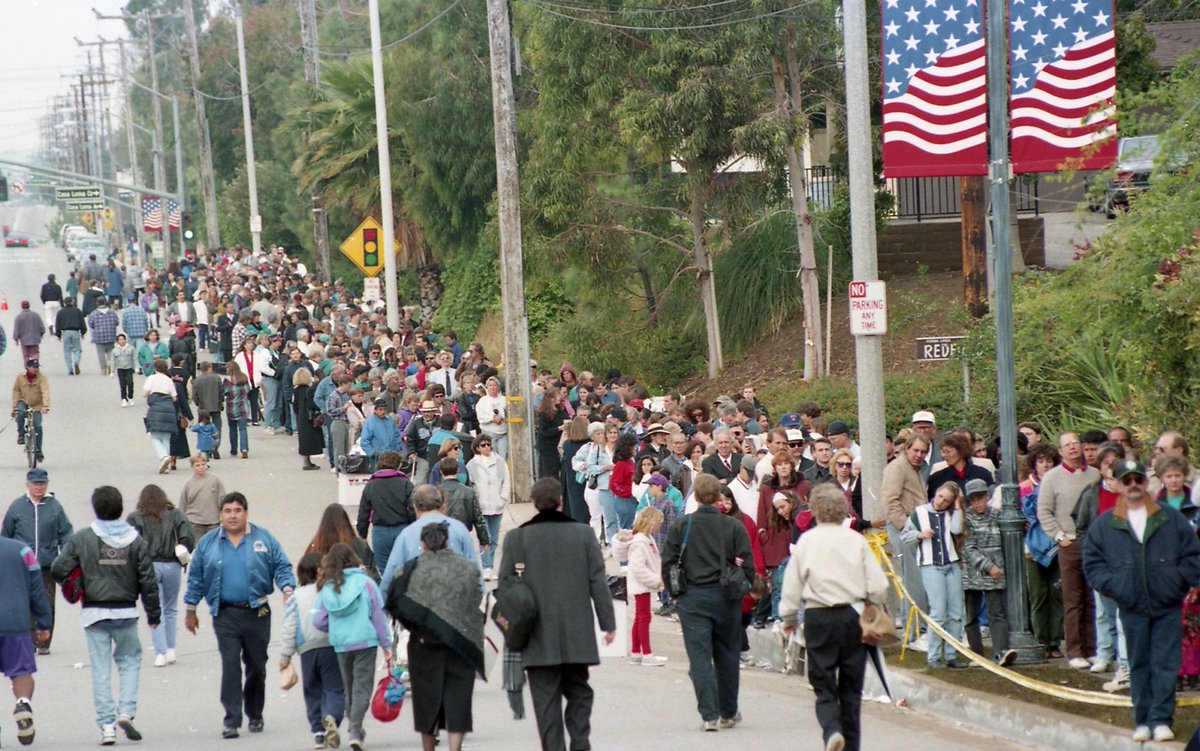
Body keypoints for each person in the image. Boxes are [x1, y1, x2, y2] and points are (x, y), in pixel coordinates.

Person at [1083, 459, 1200, 743]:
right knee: (1138, 663)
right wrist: (1115, 587)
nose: (1133, 485)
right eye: (1127, 480)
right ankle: (1143, 719)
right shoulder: (1105, 524)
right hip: (1131, 605)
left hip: (1167, 604)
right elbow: (1093, 563)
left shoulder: (1170, 518)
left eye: (1138, 479)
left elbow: (1192, 555)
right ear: (1117, 484)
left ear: (1146, 482)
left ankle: (1161, 719)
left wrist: (1176, 582)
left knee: (1165, 663)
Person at [498, 478, 616, 751]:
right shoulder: (583, 534)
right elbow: (597, 581)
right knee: (580, 692)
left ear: (534, 503)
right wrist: (608, 623)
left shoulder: (516, 539)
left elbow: (505, 587)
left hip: (535, 634)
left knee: (545, 703)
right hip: (577, 632)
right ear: (561, 501)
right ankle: (580, 744)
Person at [778, 484, 889, 751]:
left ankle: (831, 730)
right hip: (853, 617)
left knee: (823, 682)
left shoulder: (807, 541)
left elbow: (791, 585)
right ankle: (851, 745)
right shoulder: (856, 541)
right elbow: (878, 586)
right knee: (851, 688)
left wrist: (789, 618)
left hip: (818, 615)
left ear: (813, 509)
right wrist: (871, 603)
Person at [50, 486, 161, 746]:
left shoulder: (82, 538)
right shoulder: (136, 540)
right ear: (121, 508)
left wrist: (77, 582)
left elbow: (58, 568)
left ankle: (107, 726)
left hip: (94, 612)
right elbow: (148, 580)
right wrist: (153, 614)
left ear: (95, 508)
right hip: (126, 611)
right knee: (130, 662)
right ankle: (126, 712)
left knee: (100, 670)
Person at [183, 492, 296, 739]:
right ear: (220, 515)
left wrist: (287, 589)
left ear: (246, 513)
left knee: (257, 666)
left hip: (258, 613)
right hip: (225, 615)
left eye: (237, 510)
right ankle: (231, 720)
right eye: (227, 511)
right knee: (231, 664)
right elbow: (196, 577)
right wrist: (191, 609)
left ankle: (255, 714)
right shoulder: (208, 544)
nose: (232, 516)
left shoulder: (263, 539)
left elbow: (282, 566)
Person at [661, 473, 754, 731]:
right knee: (728, 654)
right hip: (726, 598)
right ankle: (728, 711)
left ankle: (709, 715)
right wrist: (741, 587)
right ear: (718, 497)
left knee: (699, 657)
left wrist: (675, 593)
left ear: (696, 497)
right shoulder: (733, 526)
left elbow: (668, 563)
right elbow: (748, 566)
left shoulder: (682, 526)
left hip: (692, 597)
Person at [386, 524, 484, 751]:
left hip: (424, 643)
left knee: (426, 700)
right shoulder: (466, 568)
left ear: (422, 544)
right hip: (460, 642)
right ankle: (455, 747)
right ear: (447, 541)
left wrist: (413, 625)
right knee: (459, 698)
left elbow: (393, 603)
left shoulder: (408, 570)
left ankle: (429, 747)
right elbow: (476, 598)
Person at [313, 543, 393, 751]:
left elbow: (318, 621)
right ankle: (355, 730)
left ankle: (354, 727)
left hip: (341, 643)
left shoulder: (327, 587)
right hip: (365, 641)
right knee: (362, 688)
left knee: (348, 688)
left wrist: (335, 627)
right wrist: (386, 645)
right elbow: (378, 616)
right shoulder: (366, 583)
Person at [1038, 432, 1101, 669]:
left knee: (1092, 597)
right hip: (1070, 542)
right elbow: (1044, 511)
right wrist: (1059, 536)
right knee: (1073, 598)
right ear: (1060, 451)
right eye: (1067, 445)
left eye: (1076, 443)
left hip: (1094, 543)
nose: (1073, 448)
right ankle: (1074, 651)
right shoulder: (1052, 478)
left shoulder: (1095, 474)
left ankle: (1092, 649)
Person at [2, 468, 72, 655]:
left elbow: (66, 533)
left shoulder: (55, 507)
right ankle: (30, 639)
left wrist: (65, 557)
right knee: (24, 602)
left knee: (47, 602)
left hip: (47, 564)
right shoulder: (17, 507)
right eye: (35, 484)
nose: (39, 487)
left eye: (42, 484)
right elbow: (6, 535)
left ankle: (44, 641)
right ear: (28, 485)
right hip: (23, 565)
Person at [279, 553, 344, 750]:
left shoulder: (295, 597)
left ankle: (318, 731)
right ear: (319, 571)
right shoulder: (331, 591)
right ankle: (332, 716)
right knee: (334, 688)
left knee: (312, 690)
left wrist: (285, 655)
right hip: (331, 646)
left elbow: (289, 626)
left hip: (307, 650)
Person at [127, 484, 196, 668]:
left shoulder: (136, 517)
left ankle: (160, 652)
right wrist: (182, 551)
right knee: (170, 608)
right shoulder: (175, 514)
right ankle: (171, 649)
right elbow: (188, 537)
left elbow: (129, 543)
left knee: (154, 609)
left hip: (149, 566)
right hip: (172, 564)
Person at [903, 482, 967, 669]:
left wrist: (958, 506)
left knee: (956, 612)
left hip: (951, 564)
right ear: (936, 493)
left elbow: (956, 530)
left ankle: (952, 654)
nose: (940, 502)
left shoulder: (952, 513)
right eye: (940, 496)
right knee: (938, 612)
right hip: (930, 565)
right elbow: (905, 536)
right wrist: (919, 535)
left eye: (946, 500)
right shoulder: (919, 512)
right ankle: (934, 656)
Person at [0, 531, 52, 746]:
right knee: (21, 671)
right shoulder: (22, 550)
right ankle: (23, 703)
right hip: (16, 623)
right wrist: (44, 622)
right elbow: (37, 590)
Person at [381, 486, 480, 594]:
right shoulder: (459, 529)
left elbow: (391, 576)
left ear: (415, 507)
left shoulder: (406, 534)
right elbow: (473, 569)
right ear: (442, 505)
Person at [961, 478, 1015, 666]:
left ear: (987, 496)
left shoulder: (996, 515)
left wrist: (996, 567)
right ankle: (976, 654)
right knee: (971, 616)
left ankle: (1000, 651)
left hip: (995, 574)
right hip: (973, 574)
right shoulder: (966, 518)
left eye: (980, 498)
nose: (977, 503)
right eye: (973, 500)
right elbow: (968, 548)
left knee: (996, 613)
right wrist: (988, 566)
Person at [883, 434, 931, 645]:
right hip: (903, 529)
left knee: (916, 580)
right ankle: (914, 632)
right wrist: (906, 527)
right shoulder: (897, 468)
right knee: (912, 581)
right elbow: (889, 501)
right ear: (906, 449)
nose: (919, 455)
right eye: (916, 450)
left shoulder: (913, 468)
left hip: (915, 529)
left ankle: (916, 630)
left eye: (923, 451)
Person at [621, 507, 667, 667]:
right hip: (642, 584)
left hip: (642, 584)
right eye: (659, 522)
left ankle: (636, 652)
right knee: (644, 618)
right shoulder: (640, 542)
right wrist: (655, 580)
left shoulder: (644, 539)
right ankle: (646, 654)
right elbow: (638, 567)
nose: (660, 525)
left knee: (640, 617)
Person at [356, 451, 416, 573]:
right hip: (402, 529)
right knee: (404, 568)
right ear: (398, 465)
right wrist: (412, 525)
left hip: (380, 531)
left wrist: (362, 533)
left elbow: (364, 512)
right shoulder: (405, 483)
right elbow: (413, 508)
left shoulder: (371, 484)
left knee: (383, 570)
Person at [467, 434, 510, 579]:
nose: (487, 447)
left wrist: (503, 498)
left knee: (495, 539)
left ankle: (490, 565)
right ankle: (486, 566)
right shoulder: (472, 465)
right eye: (483, 445)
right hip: (481, 507)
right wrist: (475, 501)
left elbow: (506, 481)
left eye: (488, 444)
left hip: (497, 505)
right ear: (477, 448)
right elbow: (470, 485)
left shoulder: (499, 461)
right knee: (485, 538)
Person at [307, 504, 378, 581]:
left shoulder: (315, 547)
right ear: (346, 522)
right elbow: (373, 574)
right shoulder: (359, 545)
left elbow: (306, 575)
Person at [143, 359, 179, 473]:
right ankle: (166, 466)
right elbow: (174, 397)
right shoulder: (169, 380)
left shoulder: (151, 378)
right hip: (169, 408)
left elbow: (145, 394)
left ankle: (164, 457)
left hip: (156, 409)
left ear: (155, 368)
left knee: (155, 437)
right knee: (166, 438)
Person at [11, 358, 49, 463]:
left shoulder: (42, 377)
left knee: (38, 427)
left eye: (37, 367)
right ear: (28, 367)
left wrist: (46, 405)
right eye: (34, 367)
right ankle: (21, 434)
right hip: (23, 401)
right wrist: (14, 406)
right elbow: (16, 391)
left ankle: (38, 450)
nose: (36, 369)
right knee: (20, 413)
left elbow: (45, 391)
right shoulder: (20, 377)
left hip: (37, 405)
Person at [293, 368, 325, 470]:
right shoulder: (309, 390)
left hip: (300, 417)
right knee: (310, 439)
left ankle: (307, 461)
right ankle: (306, 463)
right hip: (309, 417)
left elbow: (294, 406)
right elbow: (311, 404)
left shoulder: (295, 390)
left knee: (303, 440)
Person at [86, 298, 120, 375]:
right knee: (110, 351)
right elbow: (117, 322)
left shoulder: (93, 313)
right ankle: (110, 363)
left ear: (97, 303)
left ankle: (103, 369)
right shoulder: (112, 312)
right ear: (105, 302)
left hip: (99, 336)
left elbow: (91, 324)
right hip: (110, 335)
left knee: (100, 353)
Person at [54, 297, 86, 375]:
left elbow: (58, 324)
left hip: (66, 332)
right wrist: (83, 332)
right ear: (72, 302)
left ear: (65, 302)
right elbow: (82, 322)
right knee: (77, 349)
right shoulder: (77, 311)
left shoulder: (61, 312)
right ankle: (76, 361)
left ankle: (70, 369)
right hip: (75, 331)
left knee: (67, 351)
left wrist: (58, 334)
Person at [112, 334, 137, 406]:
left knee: (130, 383)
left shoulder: (131, 348)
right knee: (122, 384)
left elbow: (135, 358)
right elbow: (113, 361)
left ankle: (130, 397)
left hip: (129, 368)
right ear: (117, 341)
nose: (122, 341)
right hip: (120, 368)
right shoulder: (114, 350)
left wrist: (136, 367)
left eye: (123, 339)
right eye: (120, 339)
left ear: (125, 340)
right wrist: (112, 371)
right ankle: (124, 399)